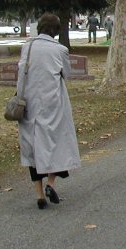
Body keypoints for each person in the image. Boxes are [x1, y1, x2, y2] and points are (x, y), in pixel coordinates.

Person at [18, 13, 81, 209]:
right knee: (56, 143)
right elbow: (66, 74)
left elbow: (22, 74)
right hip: (53, 102)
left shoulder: (27, 47)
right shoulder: (60, 50)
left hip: (29, 102)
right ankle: (51, 183)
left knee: (33, 147)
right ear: (56, 30)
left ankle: (39, 195)